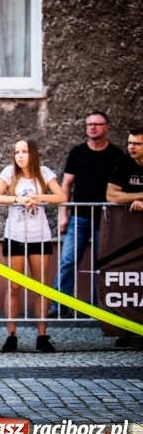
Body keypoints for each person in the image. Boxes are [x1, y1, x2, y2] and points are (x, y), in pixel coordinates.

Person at [0, 138, 66, 353]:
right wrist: (17, 200)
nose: (20, 156)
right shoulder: (9, 173)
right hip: (15, 236)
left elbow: (61, 196)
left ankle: (42, 335)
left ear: (33, 153)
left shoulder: (44, 173)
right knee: (14, 287)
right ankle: (11, 335)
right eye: (17, 152)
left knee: (40, 286)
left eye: (24, 151)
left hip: (39, 236)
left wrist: (40, 197)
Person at [48, 111, 124, 318]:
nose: (92, 127)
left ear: (107, 127)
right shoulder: (78, 152)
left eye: (97, 124)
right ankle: (60, 305)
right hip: (79, 217)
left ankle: (99, 305)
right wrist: (63, 214)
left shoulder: (116, 155)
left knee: (103, 263)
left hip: (107, 219)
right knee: (68, 260)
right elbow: (66, 185)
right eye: (89, 124)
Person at [106, 126, 143, 348]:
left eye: (137, 143)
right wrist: (139, 196)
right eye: (129, 142)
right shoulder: (124, 162)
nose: (131, 147)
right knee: (127, 277)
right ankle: (126, 329)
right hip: (127, 229)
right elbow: (111, 195)